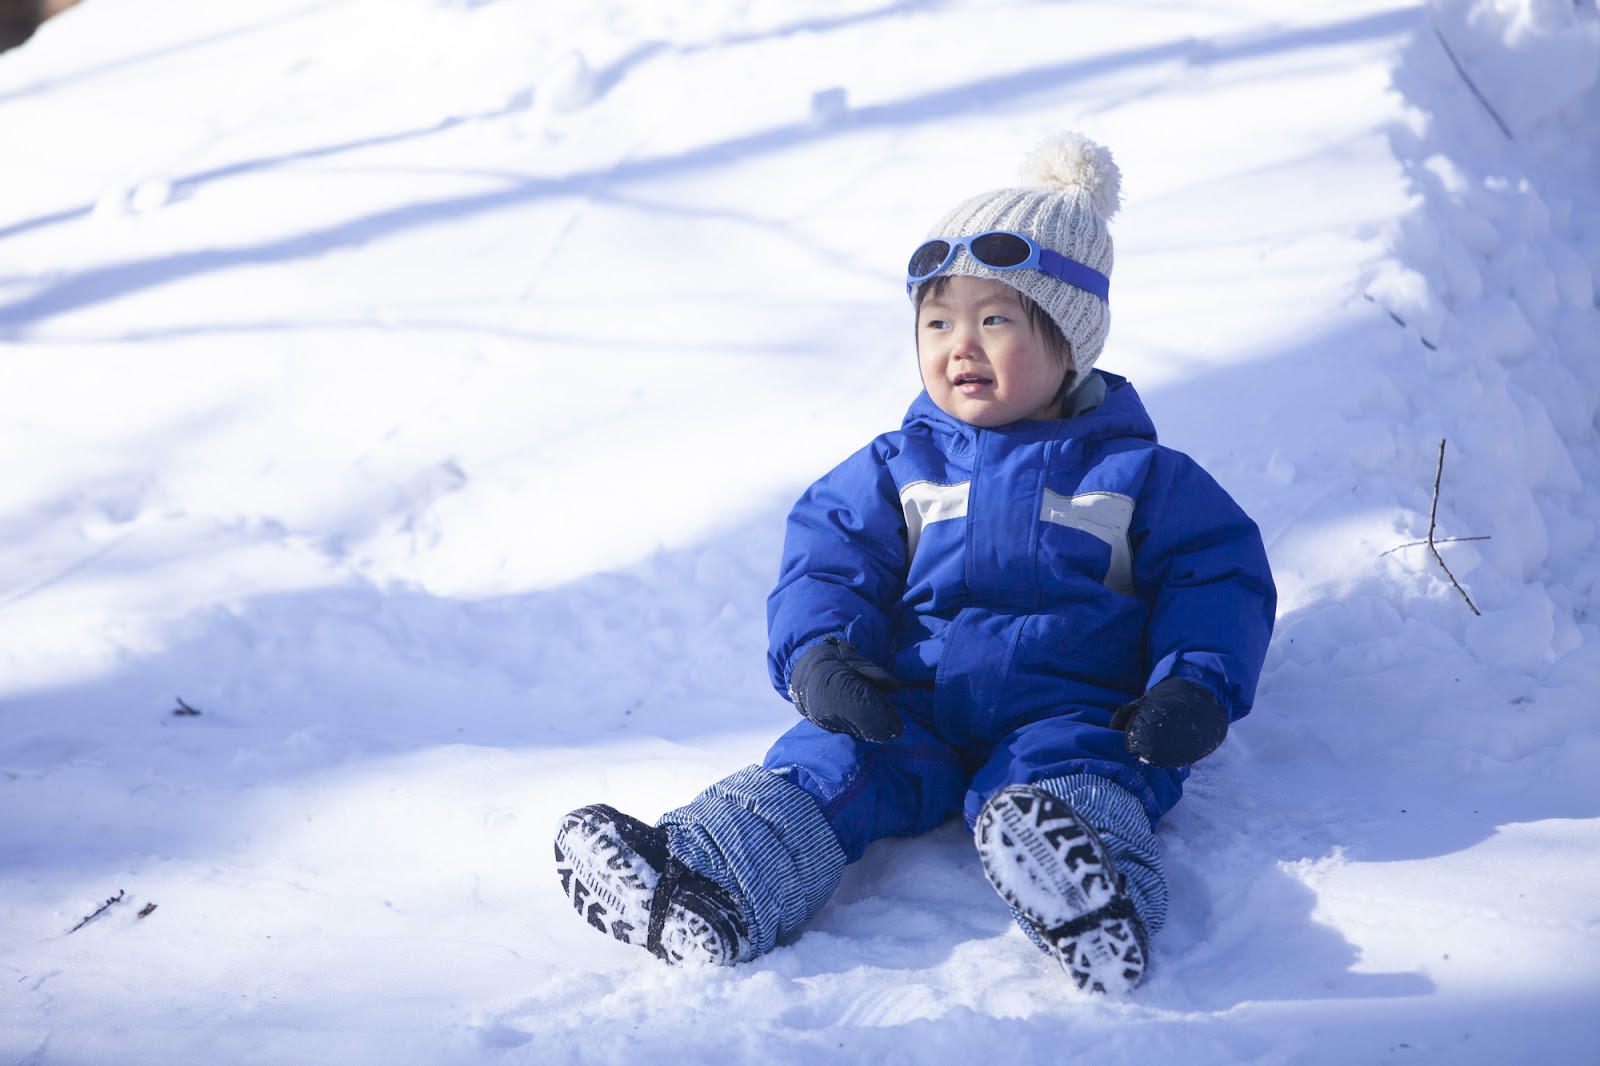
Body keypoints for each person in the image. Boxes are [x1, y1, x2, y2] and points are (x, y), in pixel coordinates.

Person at [553, 131, 1276, 994]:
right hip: (913, 706)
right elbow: (828, 561)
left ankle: (1095, 898)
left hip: (1073, 706)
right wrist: (821, 656)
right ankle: (707, 881)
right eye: (938, 322)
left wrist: (1195, 685)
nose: (958, 346)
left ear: (1069, 343)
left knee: (1078, 782)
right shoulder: (899, 466)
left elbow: (1217, 579)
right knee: (826, 768)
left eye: (994, 320)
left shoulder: (1141, 476)